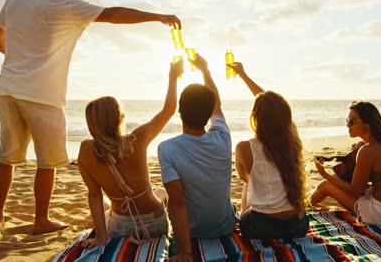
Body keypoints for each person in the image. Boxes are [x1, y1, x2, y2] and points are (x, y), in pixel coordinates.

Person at [0, 0, 181, 234]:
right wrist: (158, 17)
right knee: (47, 162)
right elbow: (114, 14)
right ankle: (41, 219)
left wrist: (22, 60)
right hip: (43, 93)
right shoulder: (64, 4)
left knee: (6, 156)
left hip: (8, 86)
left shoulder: (15, 0)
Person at [77, 60, 183, 249]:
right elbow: (169, 109)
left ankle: (105, 228)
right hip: (155, 224)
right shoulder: (136, 139)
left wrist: (101, 238)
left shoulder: (86, 150)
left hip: (121, 227)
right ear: (119, 117)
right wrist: (173, 76)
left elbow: (93, 194)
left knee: (102, 200)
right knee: (161, 192)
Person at [158, 54, 238, 261]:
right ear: (209, 112)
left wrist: (185, 253)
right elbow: (217, 104)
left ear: (179, 112)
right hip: (225, 226)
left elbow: (177, 203)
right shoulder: (223, 136)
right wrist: (205, 70)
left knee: (165, 195)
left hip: (193, 232)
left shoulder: (167, 149)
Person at [230, 62, 309, 239]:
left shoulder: (244, 148)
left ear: (256, 117)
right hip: (297, 226)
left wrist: (242, 75)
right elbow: (272, 106)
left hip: (260, 228)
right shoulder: (293, 143)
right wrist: (243, 75)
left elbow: (245, 178)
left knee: (246, 185)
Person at [310, 101, 381, 225]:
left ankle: (299, 210)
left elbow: (355, 191)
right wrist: (360, 147)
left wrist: (324, 173)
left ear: (367, 125)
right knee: (337, 178)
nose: (347, 125)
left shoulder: (366, 151)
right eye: (346, 120)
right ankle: (303, 205)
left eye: (352, 121)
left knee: (324, 185)